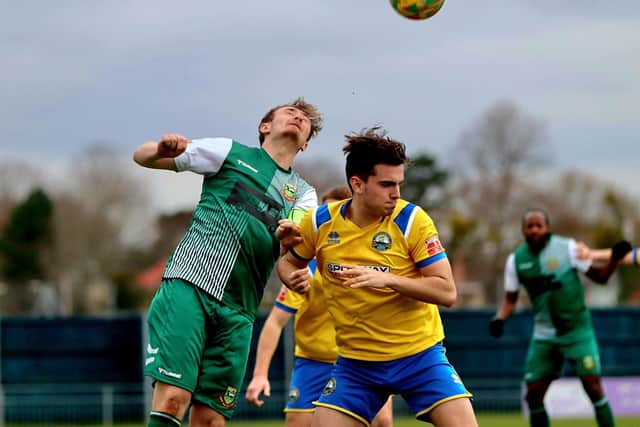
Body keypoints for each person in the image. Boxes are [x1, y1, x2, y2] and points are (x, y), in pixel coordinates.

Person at [132, 98, 323, 427]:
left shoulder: (304, 194)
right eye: (290, 112)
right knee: (174, 398)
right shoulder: (230, 152)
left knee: (210, 420)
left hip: (239, 310)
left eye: (305, 119)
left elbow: (293, 250)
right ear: (265, 127)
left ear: (305, 144)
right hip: (191, 284)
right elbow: (141, 156)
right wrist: (162, 148)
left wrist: (292, 244)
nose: (298, 117)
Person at [277, 127, 478, 427]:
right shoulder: (319, 223)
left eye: (399, 184)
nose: (396, 193)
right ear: (357, 184)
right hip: (357, 366)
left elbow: (447, 292)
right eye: (386, 184)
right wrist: (291, 277)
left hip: (419, 357)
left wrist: (389, 279)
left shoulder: (412, 221)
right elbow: (288, 263)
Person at [245, 185, 393, 427]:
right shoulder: (304, 267)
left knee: (382, 421)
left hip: (363, 357)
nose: (326, 217)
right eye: (322, 210)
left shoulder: (374, 259)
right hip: (314, 362)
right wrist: (260, 375)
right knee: (297, 423)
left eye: (333, 211)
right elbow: (274, 322)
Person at [488, 208, 632, 427]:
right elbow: (510, 300)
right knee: (533, 396)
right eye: (530, 226)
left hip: (577, 332)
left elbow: (601, 278)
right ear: (523, 230)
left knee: (594, 388)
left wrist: (613, 259)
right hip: (544, 335)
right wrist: (500, 318)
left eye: (539, 225)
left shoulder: (569, 249)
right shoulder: (515, 261)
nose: (534, 230)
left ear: (548, 228)